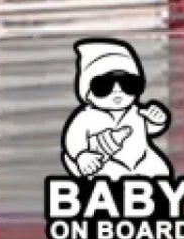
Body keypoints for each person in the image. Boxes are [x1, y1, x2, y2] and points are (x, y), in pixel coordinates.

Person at [61, 39, 174, 180]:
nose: (117, 91)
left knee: (161, 173)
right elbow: (74, 139)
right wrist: (82, 155)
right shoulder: (86, 117)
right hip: (106, 165)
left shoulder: (136, 112)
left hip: (142, 160)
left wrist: (157, 120)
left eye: (127, 84)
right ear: (88, 93)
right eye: (104, 85)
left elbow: (150, 129)